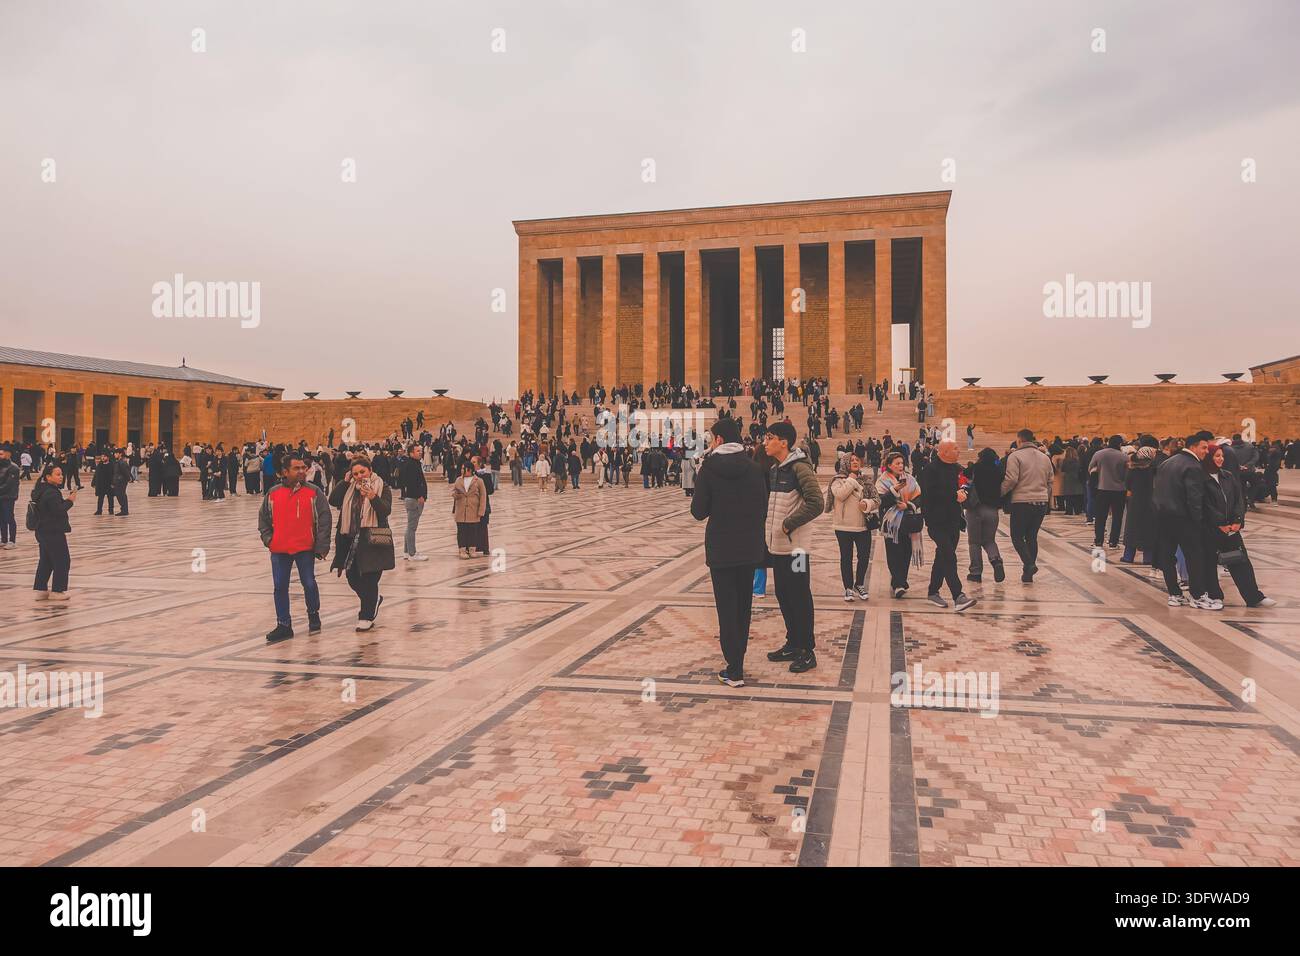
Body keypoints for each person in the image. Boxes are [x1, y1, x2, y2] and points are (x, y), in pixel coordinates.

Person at [690, 417, 768, 687]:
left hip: (722, 548)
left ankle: (733, 667)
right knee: (743, 606)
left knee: (726, 607)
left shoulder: (709, 468)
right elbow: (762, 508)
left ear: (719, 440)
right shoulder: (755, 468)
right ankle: (739, 662)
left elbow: (698, 512)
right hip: (749, 547)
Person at [762, 421, 822, 673]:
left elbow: (817, 503)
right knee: (784, 595)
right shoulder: (777, 469)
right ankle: (793, 643)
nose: (765, 442)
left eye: (769, 438)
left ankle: (807, 650)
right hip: (778, 547)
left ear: (783, 442)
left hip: (796, 549)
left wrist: (788, 524)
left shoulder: (800, 468)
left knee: (799, 595)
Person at [259, 453, 331, 643]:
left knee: (308, 582)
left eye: (303, 468)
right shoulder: (273, 493)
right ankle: (284, 624)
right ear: (285, 472)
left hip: (304, 546)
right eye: (297, 468)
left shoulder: (314, 492)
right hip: (280, 548)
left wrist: (322, 545)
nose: (302, 471)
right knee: (280, 586)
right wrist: (269, 540)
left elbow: (325, 519)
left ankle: (313, 613)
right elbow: (263, 519)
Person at [1201, 443, 1274, 608]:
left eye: (1222, 456)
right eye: (1216, 456)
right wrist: (1219, 523)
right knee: (1209, 562)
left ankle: (1253, 597)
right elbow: (1204, 504)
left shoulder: (1227, 476)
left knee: (1240, 561)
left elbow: (1238, 499)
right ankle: (1214, 595)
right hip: (1211, 529)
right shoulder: (1201, 478)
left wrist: (1237, 520)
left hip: (1232, 529)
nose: (1220, 459)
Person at [330, 455, 394, 630]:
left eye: (362, 472)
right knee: (352, 577)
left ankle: (366, 616)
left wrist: (373, 497)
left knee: (369, 578)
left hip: (373, 538)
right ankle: (372, 600)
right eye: (355, 473)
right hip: (351, 540)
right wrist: (344, 482)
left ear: (370, 470)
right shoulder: (349, 488)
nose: (359, 476)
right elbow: (333, 500)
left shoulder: (382, 487)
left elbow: (385, 511)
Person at [1154, 431, 1213, 608]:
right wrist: (1199, 521)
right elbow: (1194, 498)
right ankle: (1197, 596)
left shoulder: (1166, 463)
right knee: (1194, 556)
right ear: (1193, 447)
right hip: (1184, 519)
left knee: (1167, 556)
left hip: (1163, 517)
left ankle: (1174, 594)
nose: (1206, 451)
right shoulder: (1193, 466)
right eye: (1204, 447)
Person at [919, 440, 977, 611]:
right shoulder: (930, 470)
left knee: (942, 556)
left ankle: (932, 591)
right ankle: (958, 596)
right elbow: (930, 495)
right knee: (949, 556)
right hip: (937, 522)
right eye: (955, 448)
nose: (959, 451)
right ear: (943, 452)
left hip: (953, 521)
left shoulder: (957, 468)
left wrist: (964, 492)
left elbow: (966, 484)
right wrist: (954, 495)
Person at [1000, 429, 1053, 583]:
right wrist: (1045, 496)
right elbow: (1050, 481)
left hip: (1022, 502)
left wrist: (999, 493)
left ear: (1019, 440)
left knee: (1017, 537)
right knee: (1031, 536)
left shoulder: (1015, 456)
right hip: (1041, 502)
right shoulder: (1045, 457)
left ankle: (1029, 564)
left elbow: (1011, 480)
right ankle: (1027, 573)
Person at [825, 454, 878, 601]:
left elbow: (876, 499)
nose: (855, 462)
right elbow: (841, 495)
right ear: (845, 463)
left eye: (857, 460)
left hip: (863, 525)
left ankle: (859, 584)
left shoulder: (866, 480)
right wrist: (852, 479)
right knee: (846, 557)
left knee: (864, 556)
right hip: (843, 526)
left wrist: (868, 503)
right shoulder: (837, 481)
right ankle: (848, 588)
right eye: (852, 460)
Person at [876, 450, 920, 598]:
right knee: (894, 552)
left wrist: (908, 505)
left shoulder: (910, 479)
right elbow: (880, 502)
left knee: (906, 551)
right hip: (891, 523)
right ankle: (898, 584)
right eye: (897, 463)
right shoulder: (882, 481)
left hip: (907, 521)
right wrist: (894, 490)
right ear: (889, 465)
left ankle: (900, 580)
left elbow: (919, 497)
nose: (901, 466)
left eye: (902, 463)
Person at [31, 464, 76, 602]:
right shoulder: (51, 492)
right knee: (62, 560)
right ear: (48, 477)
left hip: (42, 530)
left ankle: (41, 590)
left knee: (46, 560)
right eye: (57, 474)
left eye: (61, 474)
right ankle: (57, 590)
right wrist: (70, 501)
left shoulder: (40, 490)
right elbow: (58, 510)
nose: (61, 476)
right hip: (53, 531)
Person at [965, 447, 1005, 583]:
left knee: (974, 542)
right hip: (992, 510)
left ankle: (975, 573)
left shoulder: (975, 468)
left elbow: (964, 476)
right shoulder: (999, 471)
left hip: (975, 508)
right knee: (989, 540)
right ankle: (996, 561)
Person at [1090, 435, 1129, 549]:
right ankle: (1113, 542)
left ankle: (1098, 541)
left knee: (1100, 516)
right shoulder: (1124, 457)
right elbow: (1127, 475)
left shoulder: (1099, 454)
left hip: (1102, 488)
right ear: (1120, 444)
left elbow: (1091, 469)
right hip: (1119, 490)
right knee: (1117, 517)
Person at [451, 460, 488, 559]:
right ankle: (462, 550)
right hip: (461, 510)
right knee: (461, 531)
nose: (462, 470)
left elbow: (483, 496)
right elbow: (453, 492)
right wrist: (456, 495)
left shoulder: (479, 481)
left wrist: (481, 511)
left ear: (469, 469)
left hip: (473, 509)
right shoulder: (458, 480)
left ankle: (472, 550)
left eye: (464, 468)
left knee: (472, 531)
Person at [398, 445, 428, 561]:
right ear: (411, 453)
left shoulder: (414, 463)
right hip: (414, 499)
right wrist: (419, 495)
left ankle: (407, 552)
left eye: (421, 450)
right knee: (412, 528)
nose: (420, 452)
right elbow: (412, 483)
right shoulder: (411, 465)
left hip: (412, 498)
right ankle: (412, 553)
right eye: (417, 451)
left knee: (409, 527)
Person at [0, 445, 19, 549]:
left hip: (8, 497)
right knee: (1, 519)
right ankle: (3, 539)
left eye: (1, 454)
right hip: (1, 496)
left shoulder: (13, 468)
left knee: (9, 518)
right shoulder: (1, 466)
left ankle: (12, 541)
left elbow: (8, 485)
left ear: (8, 454)